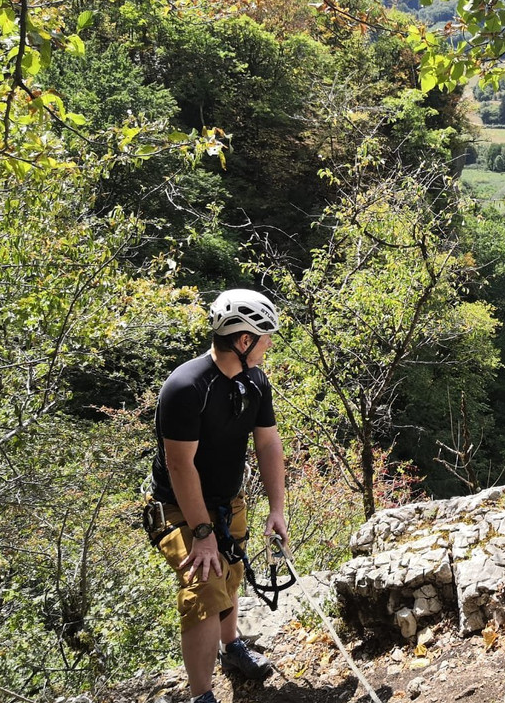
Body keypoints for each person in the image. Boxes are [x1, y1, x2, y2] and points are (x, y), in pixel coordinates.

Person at [144, 289, 288, 703]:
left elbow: (268, 444)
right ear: (244, 341)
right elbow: (179, 465)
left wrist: (276, 509)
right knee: (205, 585)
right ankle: (202, 695)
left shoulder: (255, 382)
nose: (269, 346)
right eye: (265, 338)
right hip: (178, 506)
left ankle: (232, 648)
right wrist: (202, 531)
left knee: (231, 572)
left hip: (228, 499)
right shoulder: (186, 387)